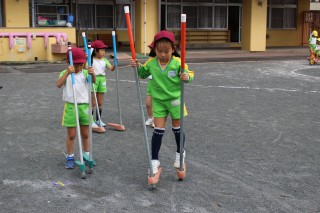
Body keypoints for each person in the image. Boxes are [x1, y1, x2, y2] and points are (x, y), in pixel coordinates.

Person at [130, 30, 194, 175]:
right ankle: (154, 161)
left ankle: (180, 153)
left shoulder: (178, 63)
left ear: (173, 49)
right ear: (154, 50)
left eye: (166, 51)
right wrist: (137, 65)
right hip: (158, 101)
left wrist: (186, 77)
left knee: (177, 128)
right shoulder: (151, 63)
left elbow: (190, 75)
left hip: (175, 100)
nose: (163, 55)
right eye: (159, 51)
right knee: (158, 130)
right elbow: (142, 74)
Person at [56, 47, 96, 169]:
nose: (78, 67)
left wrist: (92, 73)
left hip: (84, 106)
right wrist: (68, 72)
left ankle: (87, 154)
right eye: (76, 64)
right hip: (71, 107)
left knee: (85, 134)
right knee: (71, 134)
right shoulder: (65, 73)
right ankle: (70, 156)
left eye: (80, 64)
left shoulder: (85, 73)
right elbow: (58, 84)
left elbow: (93, 82)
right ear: (69, 63)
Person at [90, 40, 115, 127]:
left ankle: (98, 120)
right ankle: (91, 120)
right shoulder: (91, 60)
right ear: (96, 51)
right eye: (101, 50)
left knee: (100, 102)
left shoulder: (105, 60)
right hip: (93, 79)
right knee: (93, 102)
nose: (104, 52)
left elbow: (111, 68)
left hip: (102, 80)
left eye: (104, 50)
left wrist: (115, 64)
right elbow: (85, 68)